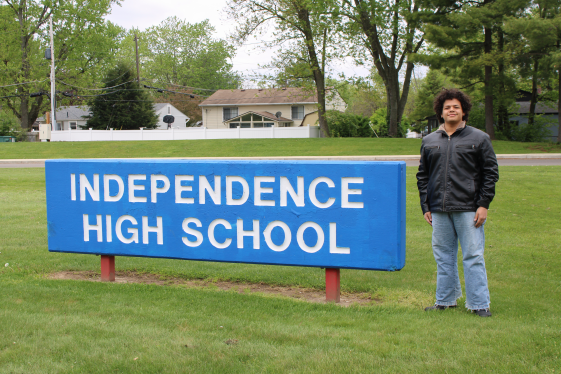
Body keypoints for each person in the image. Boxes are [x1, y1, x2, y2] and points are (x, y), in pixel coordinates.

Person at [416, 89, 499, 317]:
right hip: (439, 210)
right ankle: (445, 300)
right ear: (440, 113)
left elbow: (490, 173)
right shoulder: (429, 141)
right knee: (443, 255)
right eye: (447, 107)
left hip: (469, 208)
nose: (451, 110)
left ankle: (479, 304)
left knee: (473, 256)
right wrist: (426, 206)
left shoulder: (479, 138)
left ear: (463, 112)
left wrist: (483, 204)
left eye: (455, 107)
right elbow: (423, 176)